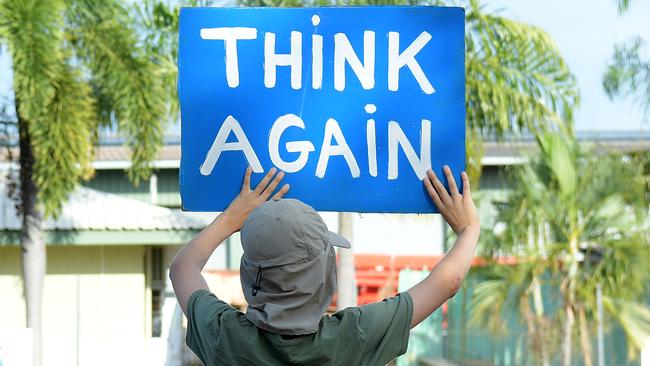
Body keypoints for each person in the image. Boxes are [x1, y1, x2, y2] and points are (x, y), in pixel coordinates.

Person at [169, 165, 480, 365]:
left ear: (249, 275)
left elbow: (182, 268)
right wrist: (469, 229)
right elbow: (449, 281)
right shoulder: (354, 336)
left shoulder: (224, 336)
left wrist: (229, 219)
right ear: (326, 277)